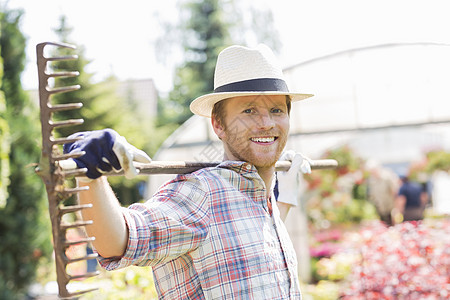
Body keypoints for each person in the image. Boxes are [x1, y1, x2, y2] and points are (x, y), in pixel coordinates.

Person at [63, 44, 313, 299]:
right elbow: (118, 242)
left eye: (276, 110)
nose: (267, 123)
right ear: (219, 125)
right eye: (249, 111)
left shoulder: (261, 199)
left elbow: (247, 238)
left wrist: (285, 196)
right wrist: (90, 174)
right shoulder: (202, 194)